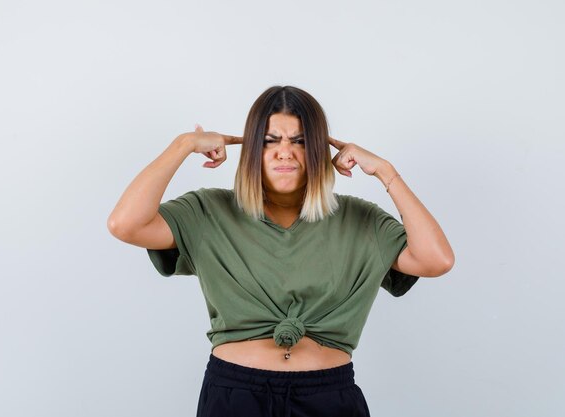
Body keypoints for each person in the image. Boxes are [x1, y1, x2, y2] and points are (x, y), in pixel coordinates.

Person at [107, 85, 454, 417]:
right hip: (235, 396)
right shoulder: (208, 211)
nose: (284, 152)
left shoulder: (360, 220)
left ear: (318, 150)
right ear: (252, 149)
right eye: (270, 140)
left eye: (300, 141)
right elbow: (126, 224)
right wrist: (183, 145)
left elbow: (436, 259)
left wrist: (386, 172)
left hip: (328, 397)